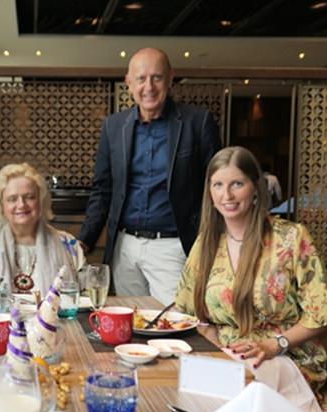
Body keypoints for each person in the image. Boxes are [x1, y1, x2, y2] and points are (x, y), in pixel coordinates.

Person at [175, 146, 327, 412]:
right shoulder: (206, 243)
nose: (227, 196)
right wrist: (217, 349)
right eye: (218, 186)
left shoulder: (291, 238)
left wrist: (275, 345)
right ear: (210, 194)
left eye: (237, 184)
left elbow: (320, 316)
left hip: (286, 357)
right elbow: (189, 314)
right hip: (226, 359)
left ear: (255, 189)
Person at [78, 47, 222, 305]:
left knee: (173, 322)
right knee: (130, 322)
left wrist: (209, 239)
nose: (149, 86)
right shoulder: (113, 126)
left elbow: (215, 185)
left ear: (170, 79)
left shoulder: (197, 122)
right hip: (124, 246)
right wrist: (85, 240)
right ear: (129, 82)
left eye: (157, 77)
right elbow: (103, 189)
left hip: (172, 245)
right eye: (141, 78)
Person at [0, 163, 85, 296]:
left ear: (41, 201)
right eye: (12, 199)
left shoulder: (68, 244)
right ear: (1, 205)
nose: (21, 205)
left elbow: (85, 296)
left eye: (30, 197)